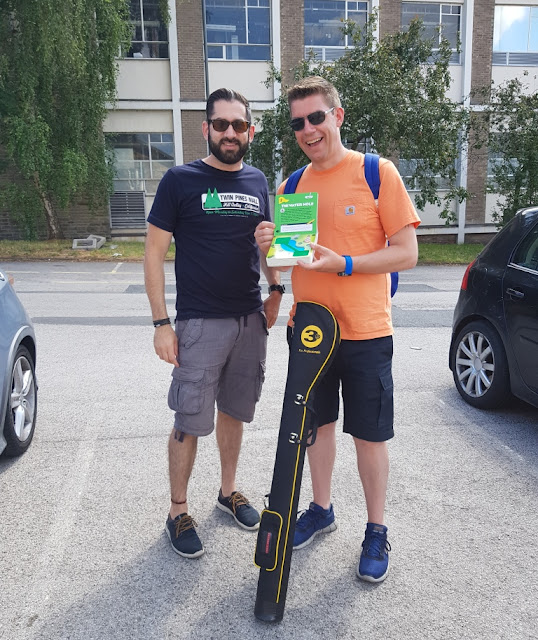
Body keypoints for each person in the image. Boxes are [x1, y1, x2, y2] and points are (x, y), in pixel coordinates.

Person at [254, 76, 420, 582]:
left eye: (316, 117)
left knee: (369, 436)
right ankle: (321, 510)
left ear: (337, 116)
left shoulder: (376, 173)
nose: (307, 129)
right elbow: (282, 267)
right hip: (310, 334)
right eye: (298, 123)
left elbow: (407, 253)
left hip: (366, 331)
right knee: (316, 428)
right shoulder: (291, 187)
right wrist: (268, 253)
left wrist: (344, 263)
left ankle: (375, 529)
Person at [144, 88, 284, 559]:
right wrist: (162, 322)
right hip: (200, 322)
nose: (230, 132)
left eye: (239, 125)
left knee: (235, 411)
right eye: (221, 124)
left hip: (249, 319)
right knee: (188, 419)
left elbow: (267, 245)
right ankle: (178, 510)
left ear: (250, 130)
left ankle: (227, 493)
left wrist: (276, 287)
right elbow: (154, 253)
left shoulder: (259, 181)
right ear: (206, 129)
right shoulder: (180, 180)